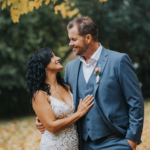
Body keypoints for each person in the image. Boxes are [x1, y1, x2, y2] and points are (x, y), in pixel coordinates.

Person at [36, 17, 144, 150]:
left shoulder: (118, 61)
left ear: (88, 38)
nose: (70, 43)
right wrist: (43, 118)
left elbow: (136, 102)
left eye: (74, 39)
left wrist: (131, 140)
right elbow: (62, 98)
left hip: (115, 142)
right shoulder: (71, 67)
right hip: (83, 144)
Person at [26, 47, 94, 150]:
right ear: (43, 65)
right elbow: (52, 127)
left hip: (74, 145)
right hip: (54, 146)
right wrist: (79, 113)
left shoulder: (67, 87)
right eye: (52, 57)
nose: (58, 58)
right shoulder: (39, 94)